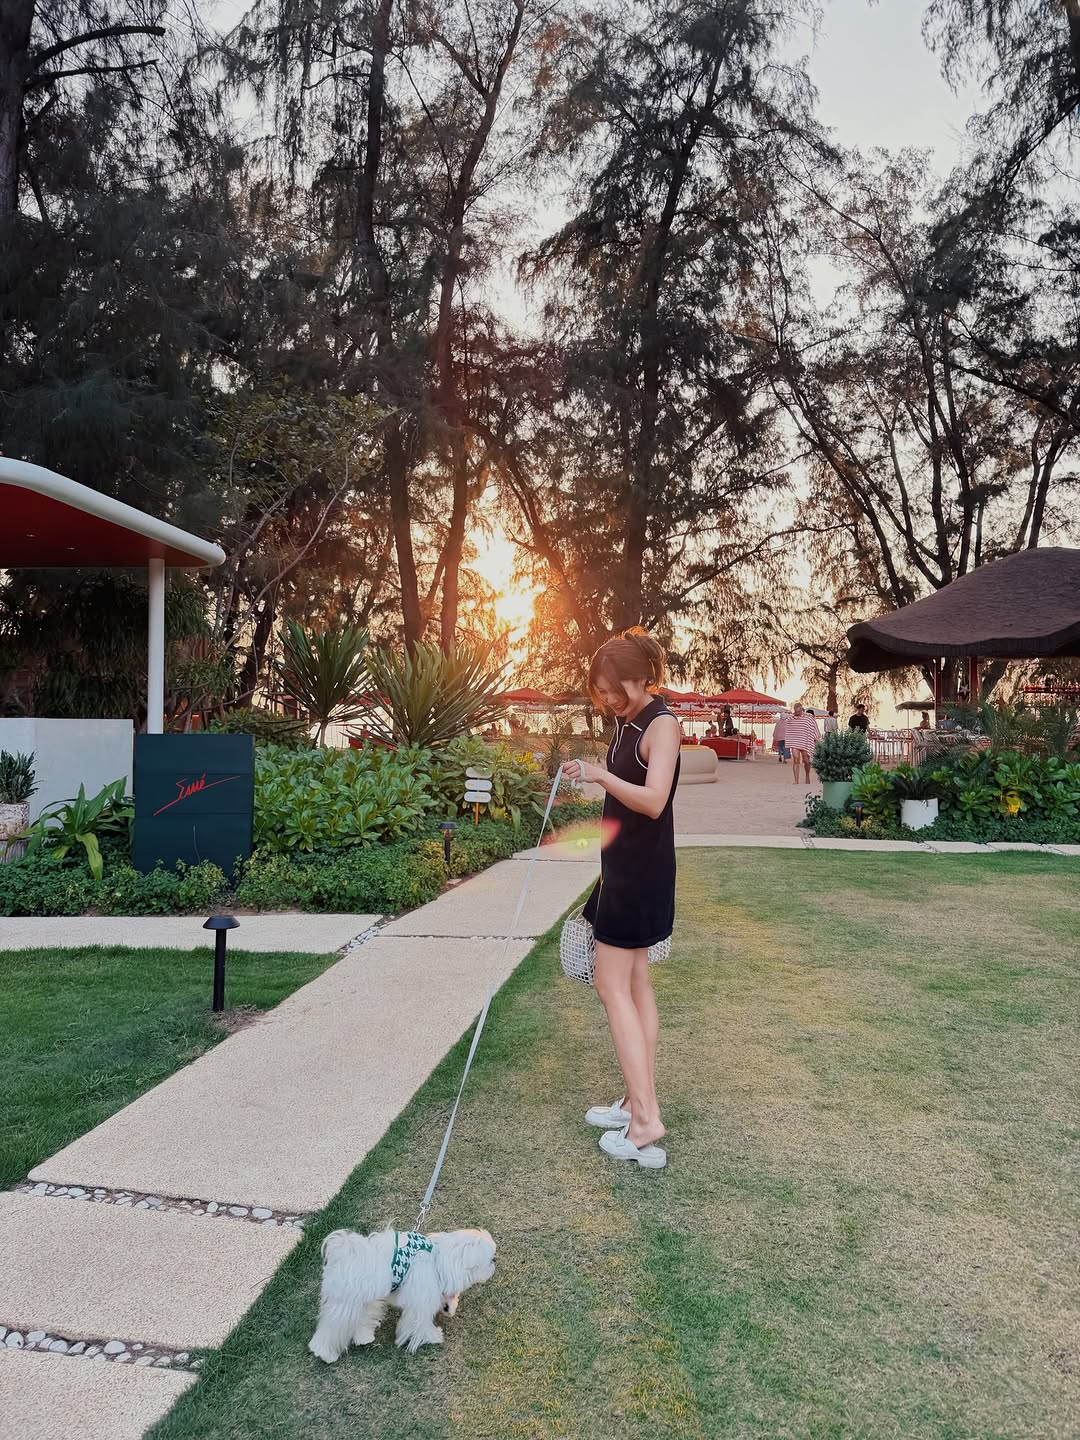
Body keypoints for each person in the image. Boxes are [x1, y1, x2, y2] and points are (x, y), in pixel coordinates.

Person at [562, 628, 680, 1170]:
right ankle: (636, 1102)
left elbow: (654, 801)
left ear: (640, 677)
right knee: (633, 984)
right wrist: (594, 774)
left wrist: (599, 775)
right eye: (601, 691)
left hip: (640, 874)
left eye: (614, 688)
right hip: (624, 868)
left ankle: (646, 1120)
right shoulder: (627, 721)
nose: (607, 698)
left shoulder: (662, 725)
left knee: (611, 986)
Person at [784, 702, 820, 784]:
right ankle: (796, 780)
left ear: (802, 710)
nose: (798, 713)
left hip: (805, 741)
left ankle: (807, 776)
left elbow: (813, 727)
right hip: (795, 742)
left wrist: (816, 738)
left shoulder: (808, 718)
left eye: (799, 711)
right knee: (796, 759)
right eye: (796, 712)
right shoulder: (790, 719)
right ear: (794, 710)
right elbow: (787, 729)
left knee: (806, 761)